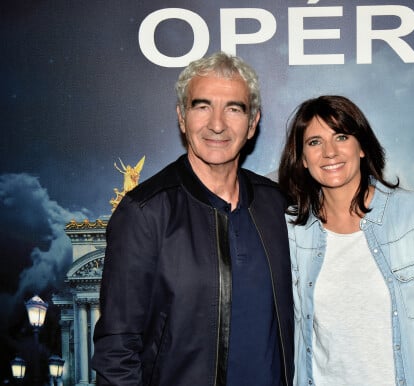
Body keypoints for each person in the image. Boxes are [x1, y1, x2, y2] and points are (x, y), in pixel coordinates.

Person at [92, 51, 294, 386]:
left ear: (253, 122)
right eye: (202, 106)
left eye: (234, 108)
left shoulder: (275, 205)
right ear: (182, 118)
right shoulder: (145, 212)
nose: (217, 124)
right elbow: (117, 352)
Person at [278, 95, 414, 386]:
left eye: (341, 136)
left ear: (363, 147)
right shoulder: (293, 228)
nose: (330, 152)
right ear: (303, 159)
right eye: (315, 142)